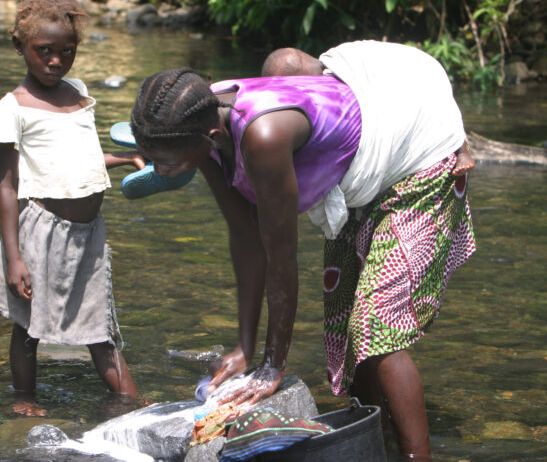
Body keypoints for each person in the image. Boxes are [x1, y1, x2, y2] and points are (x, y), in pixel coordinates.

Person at [130, 40, 476, 459]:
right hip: (363, 171)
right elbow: (245, 237)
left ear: (212, 136)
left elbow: (281, 256)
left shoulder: (263, 136)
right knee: (346, 316)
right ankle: (376, 436)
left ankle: (416, 456)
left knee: (375, 326)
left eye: (166, 162)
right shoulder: (198, 117)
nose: (159, 171)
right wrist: (245, 348)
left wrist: (273, 365)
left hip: (418, 160)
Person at [0, 0, 144, 417]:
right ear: (20, 46)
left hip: (89, 233)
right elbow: (8, 185)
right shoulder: (12, 108)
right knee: (28, 327)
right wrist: (14, 257)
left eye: (66, 51)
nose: (56, 61)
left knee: (99, 327)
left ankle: (132, 403)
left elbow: (79, 158)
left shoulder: (77, 92)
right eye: (44, 51)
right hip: (42, 232)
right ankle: (24, 399)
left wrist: (124, 157)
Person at [261, 46, 475, 177]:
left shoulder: (341, 69)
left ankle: (462, 150)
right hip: (402, 76)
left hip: (421, 73)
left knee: (442, 112)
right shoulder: (336, 73)